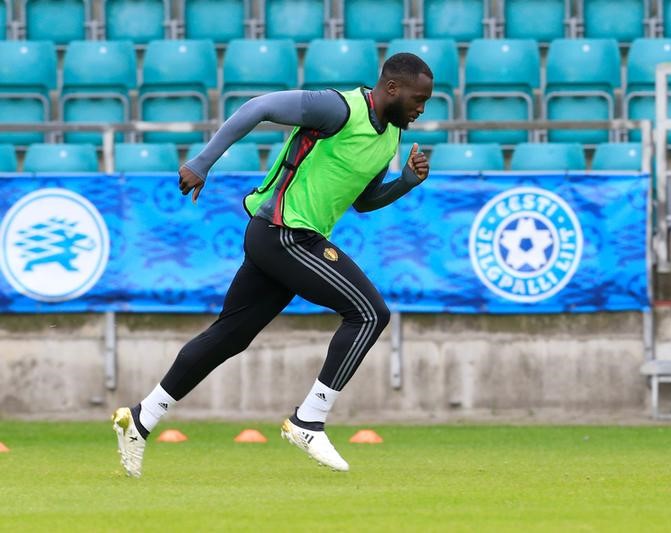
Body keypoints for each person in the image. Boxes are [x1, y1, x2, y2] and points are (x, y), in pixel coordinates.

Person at [112, 52, 433, 477]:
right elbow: (258, 107)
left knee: (230, 336)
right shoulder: (337, 108)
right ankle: (308, 421)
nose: (422, 108)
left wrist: (406, 183)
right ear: (392, 88)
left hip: (285, 239)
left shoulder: (389, 139)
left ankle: (140, 419)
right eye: (418, 98)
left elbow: (363, 201)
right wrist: (201, 162)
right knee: (370, 312)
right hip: (284, 233)